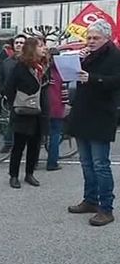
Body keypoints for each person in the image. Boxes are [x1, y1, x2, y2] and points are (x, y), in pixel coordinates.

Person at [67, 19, 120, 226]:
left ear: (106, 38)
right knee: (86, 163)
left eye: (95, 38)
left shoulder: (115, 55)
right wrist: (77, 63)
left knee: (100, 165)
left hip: (101, 115)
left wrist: (92, 78)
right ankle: (90, 200)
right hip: (82, 114)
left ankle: (106, 208)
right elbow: (76, 78)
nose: (90, 41)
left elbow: (116, 81)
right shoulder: (86, 55)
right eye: (88, 37)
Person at [5, 37, 49, 189]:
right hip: (23, 112)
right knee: (18, 146)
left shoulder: (42, 66)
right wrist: (16, 103)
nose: (44, 48)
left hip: (39, 112)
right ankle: (14, 175)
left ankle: (29, 173)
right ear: (32, 48)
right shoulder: (20, 67)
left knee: (35, 145)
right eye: (41, 46)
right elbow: (8, 87)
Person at [46, 47, 67, 172]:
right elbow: (63, 92)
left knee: (40, 135)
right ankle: (52, 162)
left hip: (44, 107)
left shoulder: (44, 71)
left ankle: (35, 161)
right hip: (57, 107)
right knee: (55, 135)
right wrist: (66, 105)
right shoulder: (60, 72)